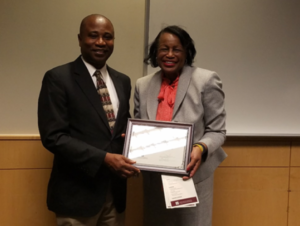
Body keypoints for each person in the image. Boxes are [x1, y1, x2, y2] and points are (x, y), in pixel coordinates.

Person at [38, 14, 140, 226]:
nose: (101, 42)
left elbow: (121, 130)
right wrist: (104, 158)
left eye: (108, 37)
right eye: (93, 36)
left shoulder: (123, 81)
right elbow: (54, 137)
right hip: (77, 195)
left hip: (115, 193)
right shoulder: (58, 78)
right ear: (79, 39)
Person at [134, 25, 227, 226]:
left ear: (186, 53)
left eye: (176, 49)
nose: (169, 54)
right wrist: (133, 143)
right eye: (163, 49)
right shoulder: (142, 85)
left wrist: (200, 148)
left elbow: (217, 130)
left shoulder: (206, 80)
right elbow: (139, 126)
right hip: (154, 181)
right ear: (155, 53)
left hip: (192, 179)